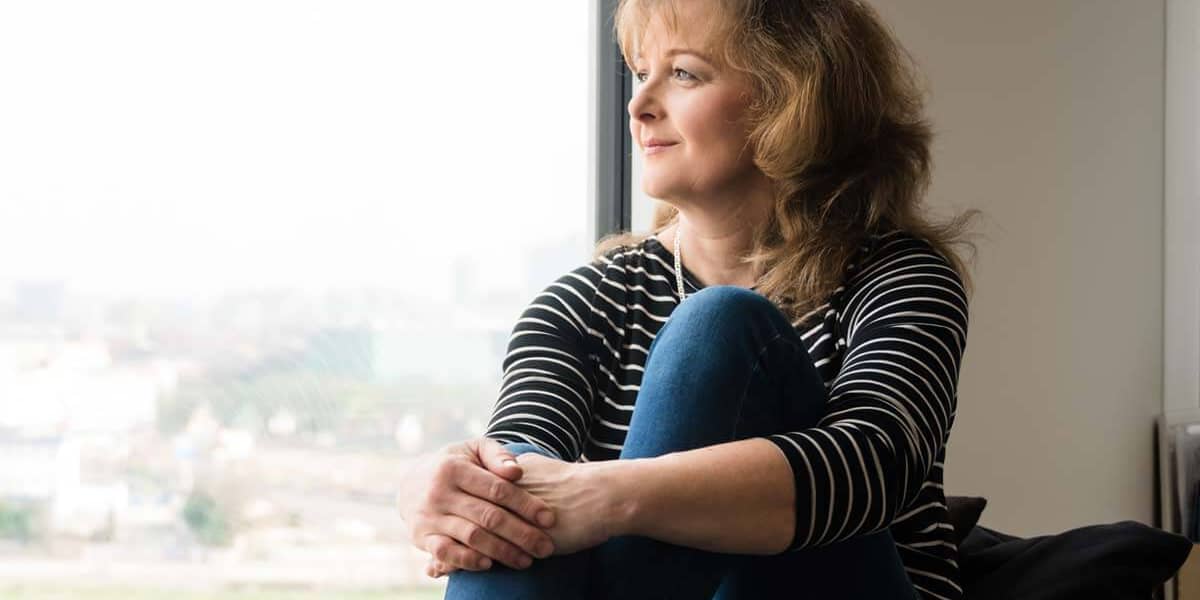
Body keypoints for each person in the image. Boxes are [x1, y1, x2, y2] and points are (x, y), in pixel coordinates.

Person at [397, 0, 981, 598]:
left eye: (683, 74)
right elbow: (520, 470)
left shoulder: (899, 276)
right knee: (509, 504)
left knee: (721, 326)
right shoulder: (581, 304)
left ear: (792, 99)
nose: (638, 105)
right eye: (639, 70)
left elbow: (875, 463)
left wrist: (607, 497)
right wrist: (444, 489)